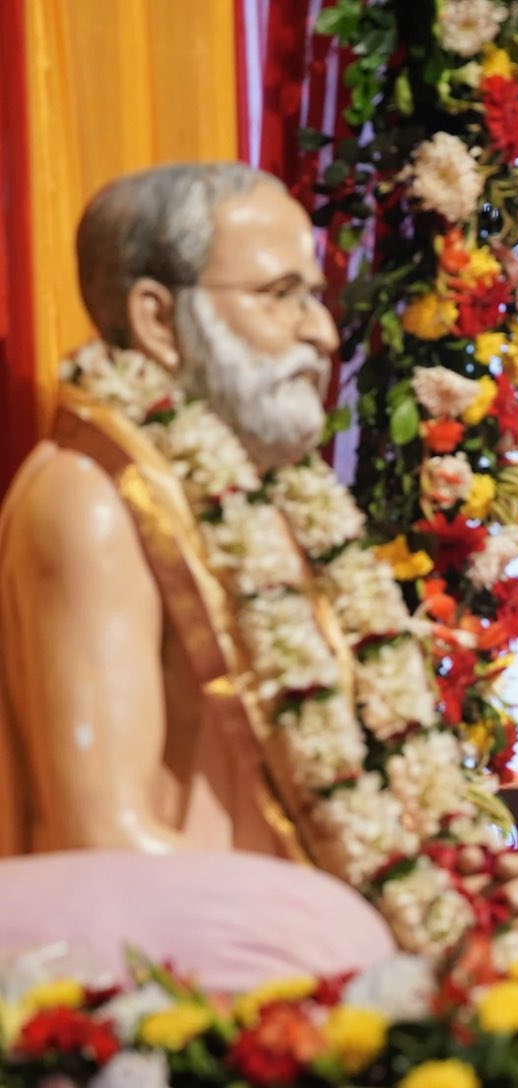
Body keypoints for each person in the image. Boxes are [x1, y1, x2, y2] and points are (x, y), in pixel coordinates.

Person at [0, 162, 336, 858]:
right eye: (281, 295)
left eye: (314, 296)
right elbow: (102, 839)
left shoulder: (261, 497)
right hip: (149, 956)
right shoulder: (89, 497)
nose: (323, 334)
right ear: (157, 317)